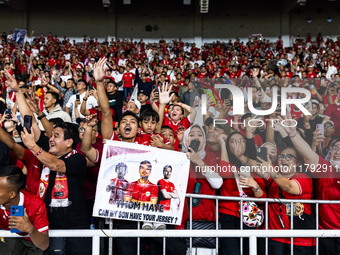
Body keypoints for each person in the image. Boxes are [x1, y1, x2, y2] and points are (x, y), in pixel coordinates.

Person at [0, 166, 49, 255]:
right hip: (9, 237)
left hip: (33, 240)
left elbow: (44, 244)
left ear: (12, 194)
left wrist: (30, 229)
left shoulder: (36, 205)